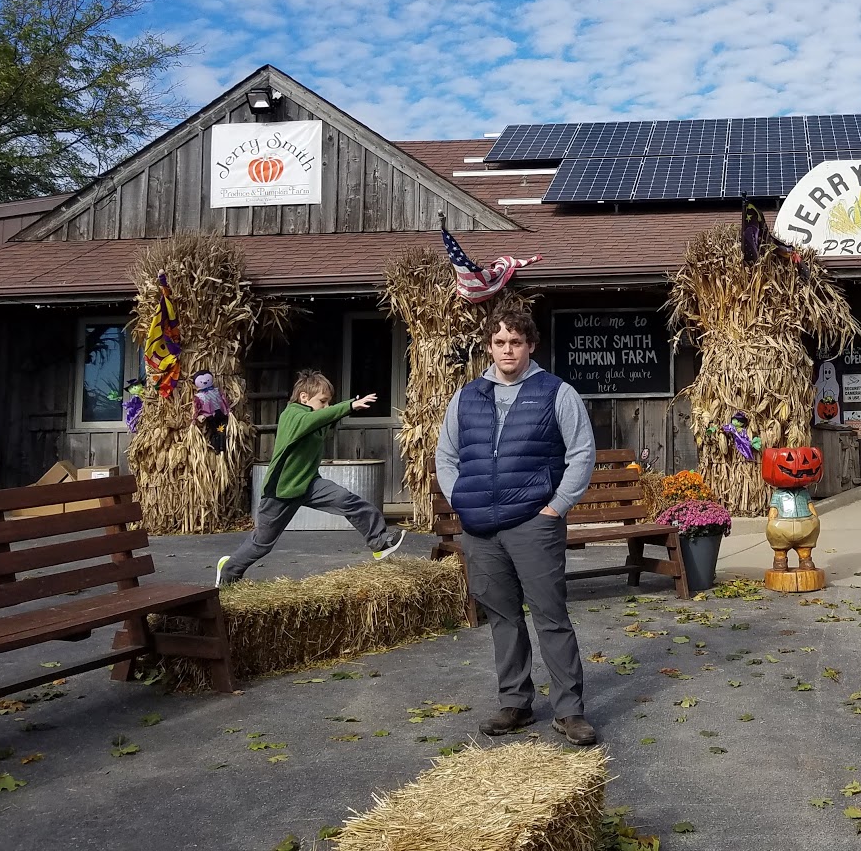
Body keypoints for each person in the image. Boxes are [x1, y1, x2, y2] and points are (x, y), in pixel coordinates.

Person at [435, 310, 598, 746]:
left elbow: (581, 453)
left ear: (530, 346)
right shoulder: (467, 396)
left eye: (516, 342)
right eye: (500, 342)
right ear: (489, 346)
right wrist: (462, 503)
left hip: (533, 522)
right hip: (481, 529)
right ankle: (516, 703)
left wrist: (556, 507)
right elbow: (446, 456)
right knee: (503, 617)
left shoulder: (556, 392)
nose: (508, 350)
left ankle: (569, 710)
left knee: (550, 616)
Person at [215, 369, 404, 586]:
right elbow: (315, 418)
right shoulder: (291, 416)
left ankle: (379, 542)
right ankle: (229, 571)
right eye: (322, 401)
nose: (326, 406)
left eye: (328, 403)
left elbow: (322, 418)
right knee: (262, 543)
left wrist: (344, 409)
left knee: (346, 500)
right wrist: (348, 406)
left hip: (309, 483)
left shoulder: (316, 419)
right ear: (304, 397)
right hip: (281, 490)